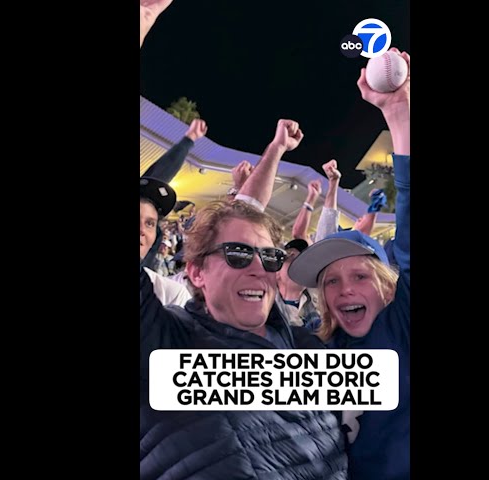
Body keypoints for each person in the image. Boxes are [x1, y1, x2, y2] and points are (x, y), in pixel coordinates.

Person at [140, 201, 347, 479]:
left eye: (270, 257)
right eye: (238, 254)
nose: (259, 269)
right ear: (197, 272)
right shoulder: (165, 339)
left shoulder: (306, 346)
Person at [288, 47, 410, 480]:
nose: (344, 291)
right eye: (331, 282)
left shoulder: (400, 326)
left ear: (387, 285)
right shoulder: (314, 350)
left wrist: (398, 117)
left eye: (360, 275)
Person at [140, 118, 208, 306]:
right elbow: (154, 177)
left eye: (150, 223)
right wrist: (189, 139)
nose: (142, 230)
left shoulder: (168, 295)